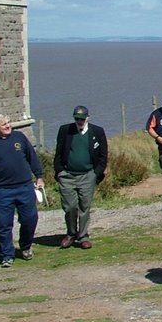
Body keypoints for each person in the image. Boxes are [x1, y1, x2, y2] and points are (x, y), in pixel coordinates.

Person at [0, 112, 45, 267]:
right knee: (4, 224)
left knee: (30, 218)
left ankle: (26, 246)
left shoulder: (19, 137)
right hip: (0, 191)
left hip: (24, 187)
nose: (8, 126)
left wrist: (39, 176)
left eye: (8, 122)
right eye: (4, 124)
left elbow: (32, 157)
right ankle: (7, 255)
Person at [54, 105, 108, 249]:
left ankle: (83, 236)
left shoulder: (97, 131)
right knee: (70, 207)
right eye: (77, 119)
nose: (79, 121)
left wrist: (96, 173)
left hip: (87, 175)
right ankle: (71, 234)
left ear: (87, 117)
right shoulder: (65, 130)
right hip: (67, 175)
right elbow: (58, 152)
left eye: (82, 119)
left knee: (85, 207)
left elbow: (103, 155)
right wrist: (59, 171)